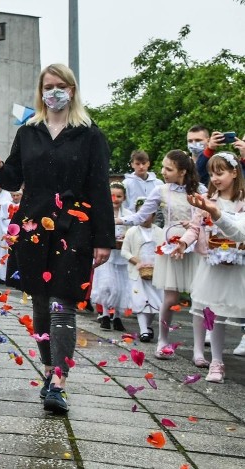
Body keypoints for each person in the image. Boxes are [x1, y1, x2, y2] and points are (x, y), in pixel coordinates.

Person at [0, 63, 114, 415]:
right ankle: (47, 370)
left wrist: (105, 238)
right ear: (40, 91)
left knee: (63, 303)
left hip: (75, 227)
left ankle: (59, 381)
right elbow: (14, 178)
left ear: (72, 90)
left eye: (60, 86)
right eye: (48, 86)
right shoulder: (29, 131)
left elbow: (100, 187)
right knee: (41, 303)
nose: (54, 92)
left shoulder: (89, 134)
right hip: (32, 227)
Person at [118, 150, 204, 361]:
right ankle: (163, 340)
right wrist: (117, 221)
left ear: (182, 171)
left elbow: (206, 218)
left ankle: (199, 350)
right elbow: (141, 215)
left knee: (200, 299)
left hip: (194, 244)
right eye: (163, 167)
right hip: (170, 246)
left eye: (169, 168)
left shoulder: (200, 190)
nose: (164, 172)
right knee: (170, 297)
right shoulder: (161, 190)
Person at [177, 153, 245, 383]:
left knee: (232, 311)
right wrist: (184, 242)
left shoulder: (242, 201)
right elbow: (195, 227)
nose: (215, 178)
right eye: (213, 173)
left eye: (221, 172)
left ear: (234, 172)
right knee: (214, 313)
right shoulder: (207, 199)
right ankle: (216, 362)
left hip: (238, 266)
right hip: (213, 265)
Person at [89, 182, 132, 331]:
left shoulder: (128, 215)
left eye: (119, 196)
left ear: (124, 197)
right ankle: (106, 314)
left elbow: (133, 230)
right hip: (106, 254)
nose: (116, 199)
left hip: (121, 255)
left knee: (120, 288)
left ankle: (118, 315)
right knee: (106, 285)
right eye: (113, 196)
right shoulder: (102, 212)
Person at [121, 198, 164, 342]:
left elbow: (163, 249)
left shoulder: (159, 232)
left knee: (155, 301)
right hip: (137, 271)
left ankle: (148, 325)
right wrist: (138, 262)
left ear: (153, 216)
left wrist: (155, 264)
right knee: (140, 300)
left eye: (147, 214)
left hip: (155, 270)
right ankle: (143, 330)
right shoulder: (132, 231)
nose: (144, 217)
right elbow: (125, 251)